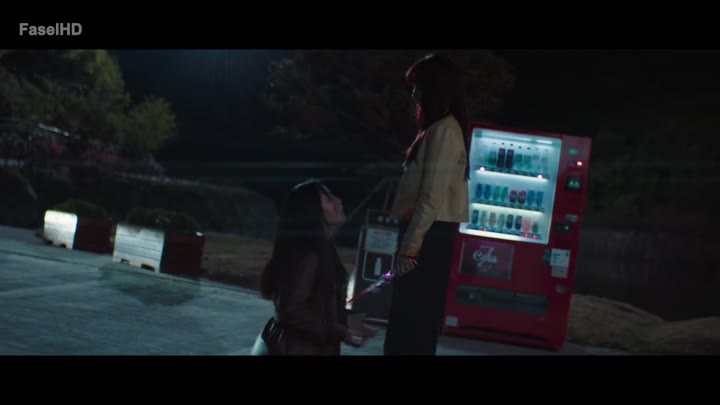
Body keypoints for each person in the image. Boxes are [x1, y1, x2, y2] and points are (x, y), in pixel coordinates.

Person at [384, 53, 470, 355]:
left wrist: (410, 247)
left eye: (417, 87)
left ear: (433, 89)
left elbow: (431, 196)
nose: (413, 94)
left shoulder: (443, 131)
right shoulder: (438, 129)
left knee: (411, 321)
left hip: (427, 237)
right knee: (412, 320)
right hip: (428, 235)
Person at [251, 179, 375, 355]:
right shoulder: (307, 255)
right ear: (313, 211)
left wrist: (348, 320)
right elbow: (291, 310)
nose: (338, 201)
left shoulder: (323, 246)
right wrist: (340, 331)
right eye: (329, 199)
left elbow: (320, 302)